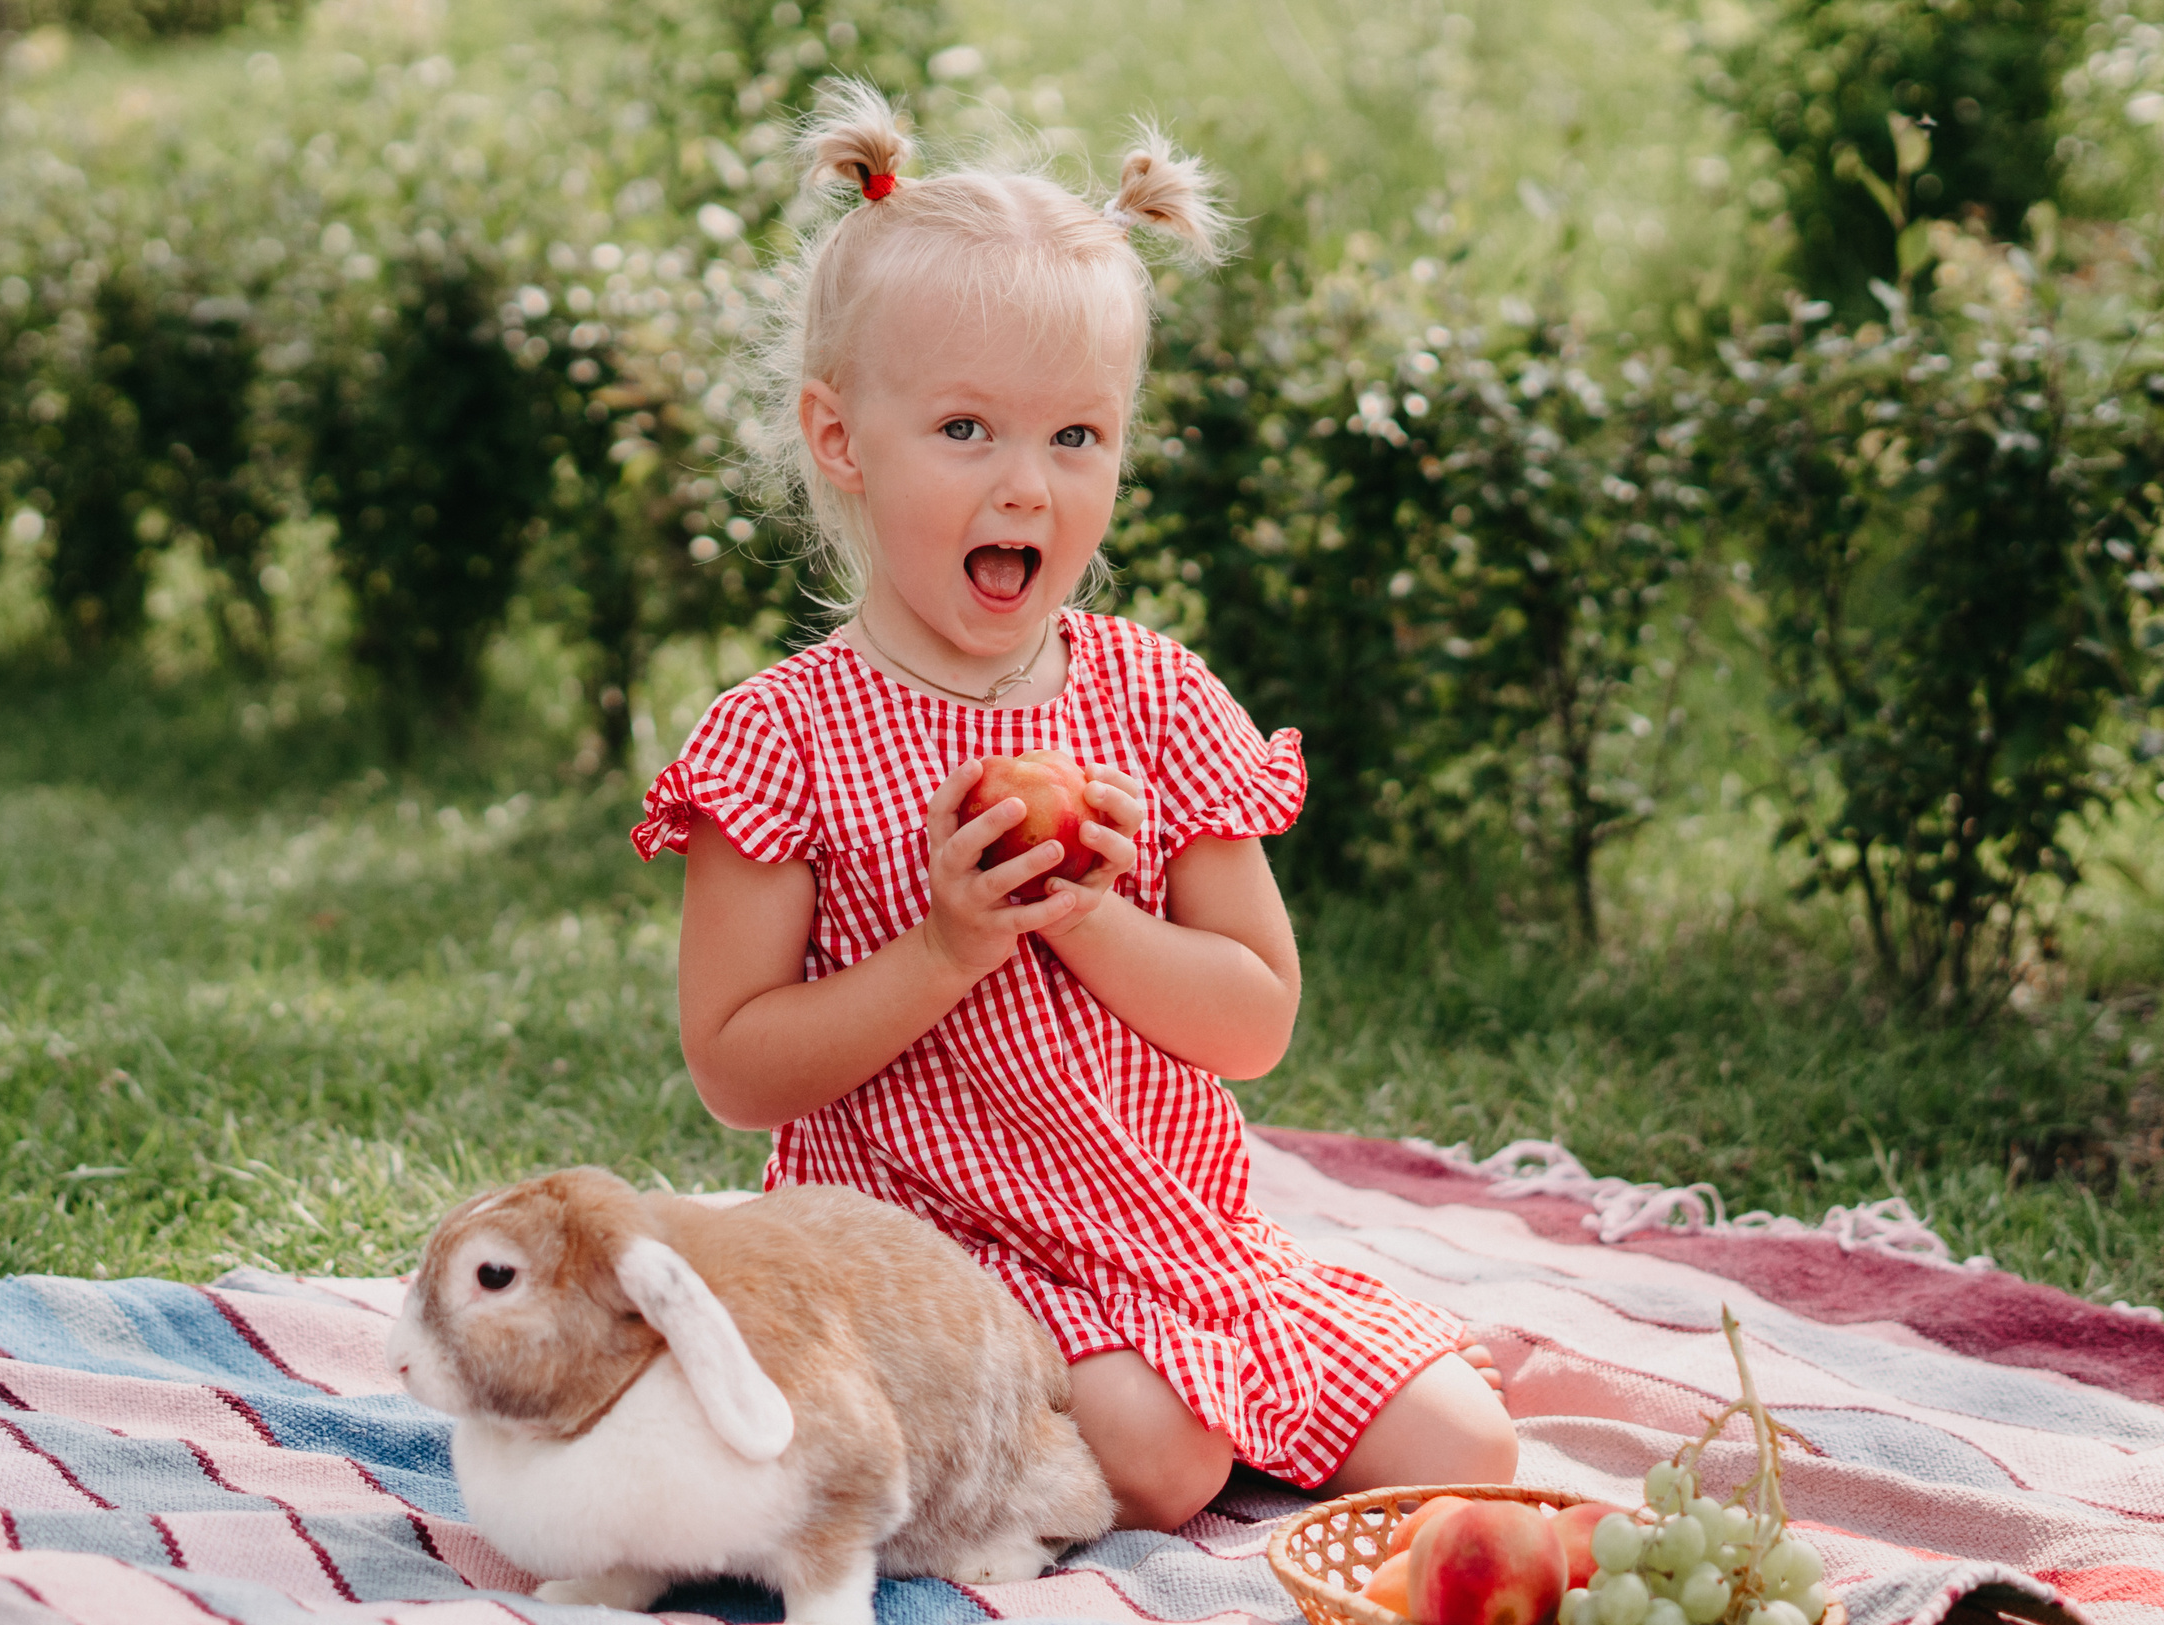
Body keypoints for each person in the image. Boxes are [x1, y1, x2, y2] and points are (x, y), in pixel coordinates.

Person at [632, 80, 1515, 1531]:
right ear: (843, 440)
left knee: (1470, 1451)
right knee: (1169, 1460)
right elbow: (738, 1070)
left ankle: (1112, 1402)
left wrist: (1092, 914)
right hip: (932, 1254)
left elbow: (1255, 1018)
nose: (1028, 489)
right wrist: (947, 949)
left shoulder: (1157, 702)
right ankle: (945, 1412)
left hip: (1167, 1233)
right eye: (968, 430)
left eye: (1076, 439)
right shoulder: (779, 742)